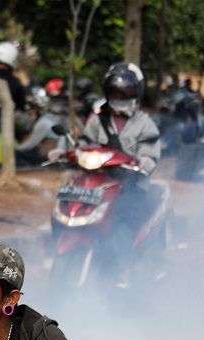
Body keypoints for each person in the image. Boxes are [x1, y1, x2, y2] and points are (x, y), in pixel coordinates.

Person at [80, 62, 161, 287]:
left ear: (137, 93)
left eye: (126, 92)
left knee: (120, 217)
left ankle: (123, 268)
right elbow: (84, 144)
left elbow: (150, 151)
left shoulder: (145, 124)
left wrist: (146, 160)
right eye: (116, 92)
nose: (120, 97)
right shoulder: (98, 121)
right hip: (100, 184)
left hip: (132, 186)